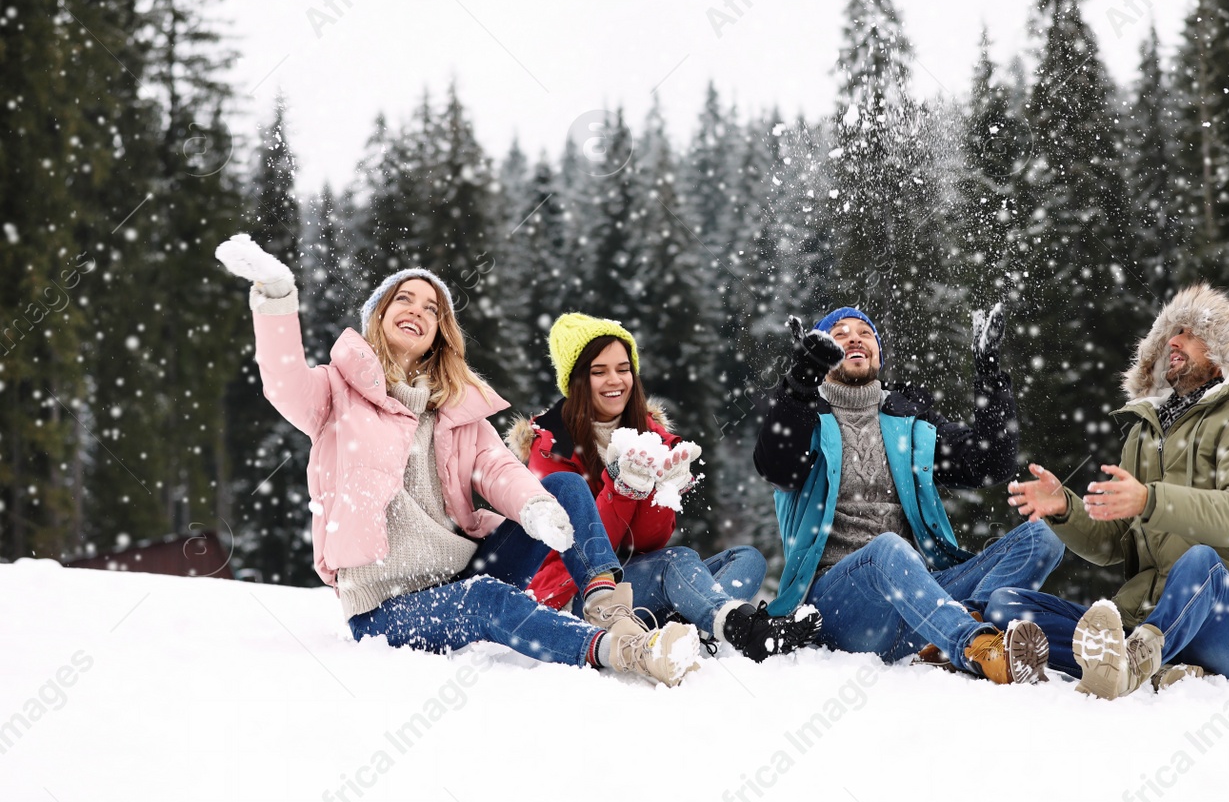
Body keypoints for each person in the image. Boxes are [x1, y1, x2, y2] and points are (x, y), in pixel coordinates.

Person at [215, 234, 699, 686]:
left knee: (565, 490)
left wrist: (533, 506)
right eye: (403, 298)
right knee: (488, 601)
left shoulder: (453, 407)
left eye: (431, 307)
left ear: (439, 334)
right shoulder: (333, 394)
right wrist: (277, 296)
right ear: (377, 316)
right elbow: (282, 382)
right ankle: (622, 652)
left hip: (461, 569)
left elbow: (499, 468)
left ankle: (608, 609)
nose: (417, 310)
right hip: (386, 605)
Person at [995, 283, 1229, 699]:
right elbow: (1114, 543)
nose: (1174, 340)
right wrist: (1066, 509)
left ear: (1222, 349)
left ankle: (1134, 661)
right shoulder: (1145, 429)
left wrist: (1151, 500)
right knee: (1007, 607)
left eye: (1190, 333)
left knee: (1201, 563)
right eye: (1172, 333)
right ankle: (1152, 664)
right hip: (1144, 618)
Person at [753, 303, 1064, 684]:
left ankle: (954, 628)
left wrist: (989, 374)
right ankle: (975, 645)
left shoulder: (908, 423)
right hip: (837, 604)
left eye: (865, 333)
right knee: (889, 548)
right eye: (840, 333)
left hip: (916, 599)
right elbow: (776, 466)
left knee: (1042, 536)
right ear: (821, 353)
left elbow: (991, 462)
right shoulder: (805, 418)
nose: (854, 337)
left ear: (878, 355)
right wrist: (800, 383)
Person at [505, 312, 820, 661]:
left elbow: (646, 543)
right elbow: (587, 550)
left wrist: (661, 493)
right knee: (678, 561)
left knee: (748, 559)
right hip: (581, 595)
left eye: (623, 368)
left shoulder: (650, 435)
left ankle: (681, 629)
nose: (615, 380)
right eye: (599, 371)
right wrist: (621, 488)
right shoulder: (549, 446)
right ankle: (743, 629)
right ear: (576, 380)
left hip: (642, 584)